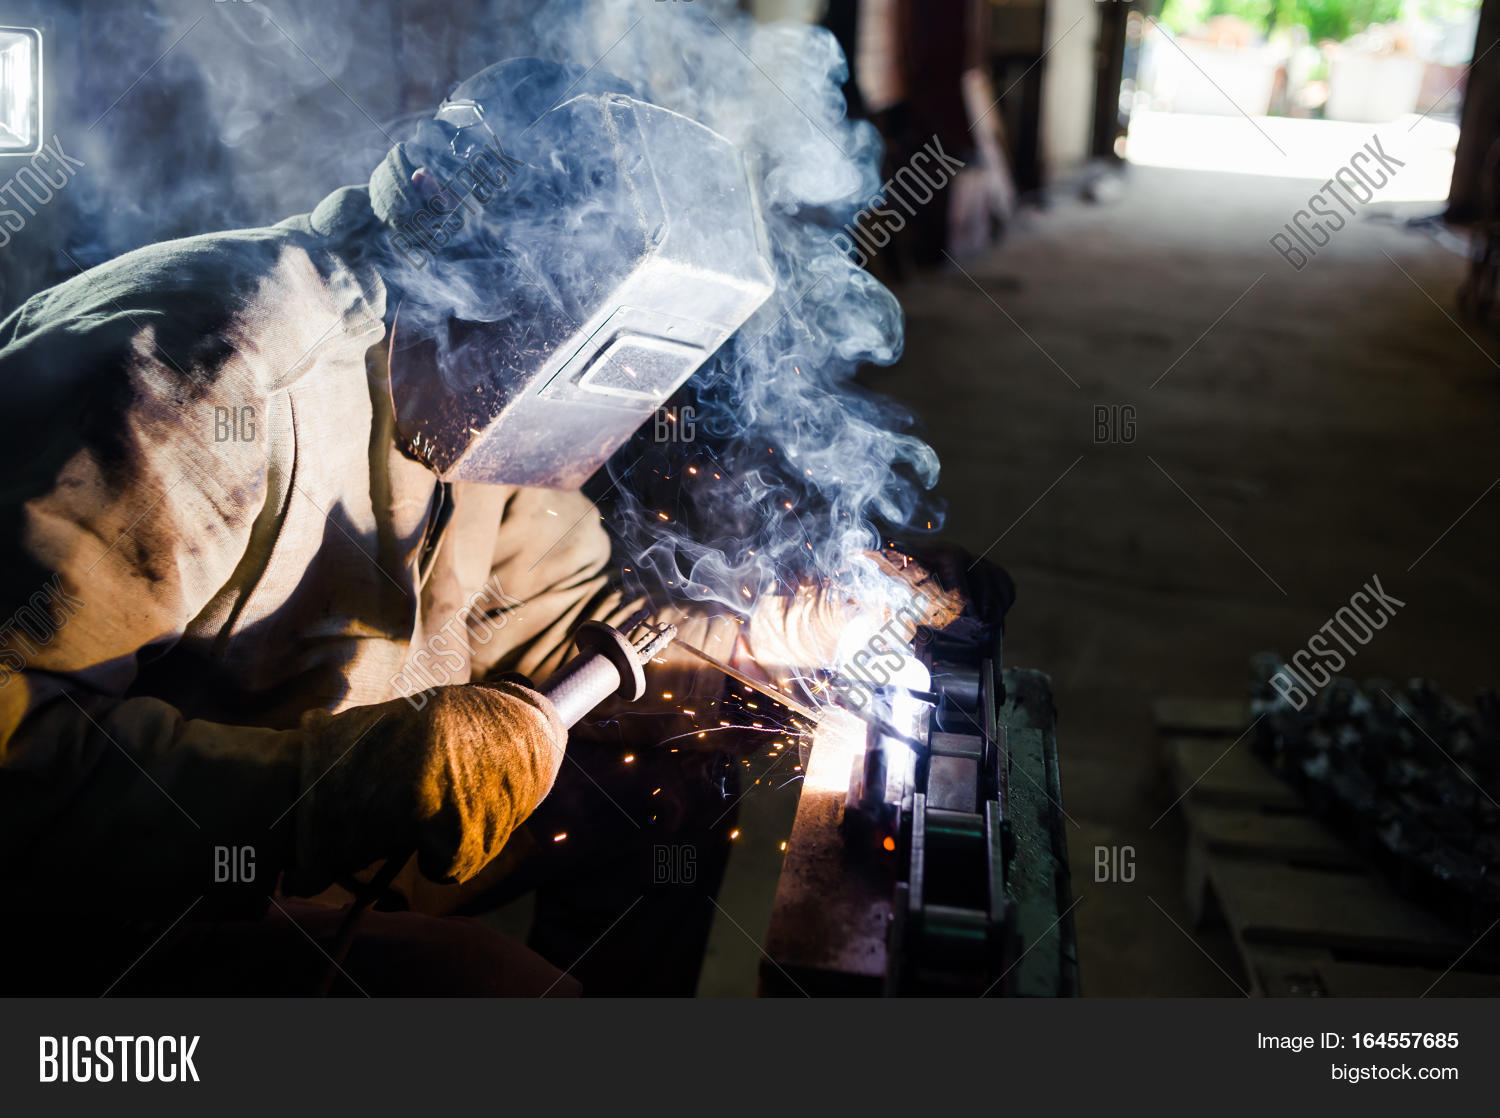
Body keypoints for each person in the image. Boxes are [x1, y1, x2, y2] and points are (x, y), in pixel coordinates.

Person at [0, 59, 998, 995]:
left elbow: (554, 609)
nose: (584, 416)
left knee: (678, 791)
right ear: (459, 259)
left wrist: (766, 634)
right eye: (566, 347)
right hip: (121, 897)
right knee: (498, 989)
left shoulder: (468, 401)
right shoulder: (208, 378)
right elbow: (20, 766)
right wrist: (347, 785)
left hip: (318, 832)